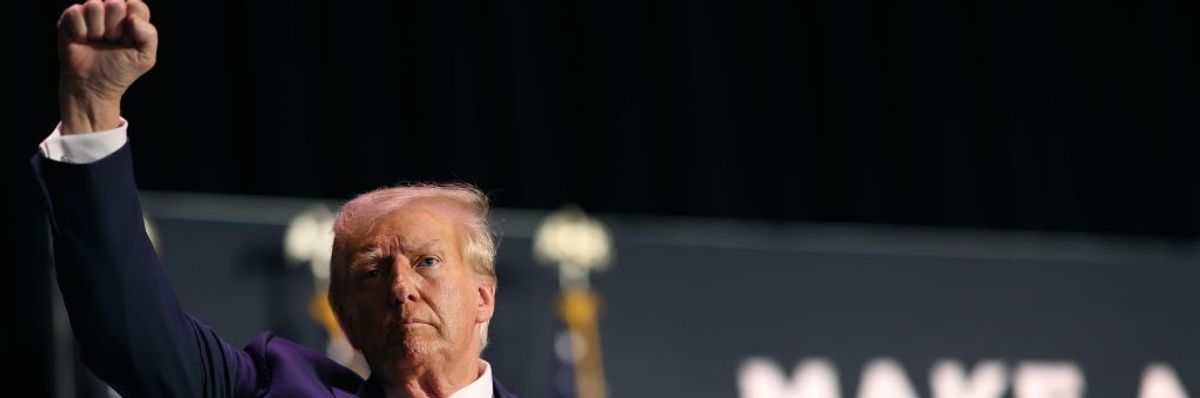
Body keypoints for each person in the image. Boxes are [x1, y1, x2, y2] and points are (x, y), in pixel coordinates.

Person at [33, 1, 519, 397]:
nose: (400, 287)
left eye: (427, 261)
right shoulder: (273, 387)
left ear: (484, 295)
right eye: (371, 271)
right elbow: (133, 335)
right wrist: (92, 105)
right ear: (346, 320)